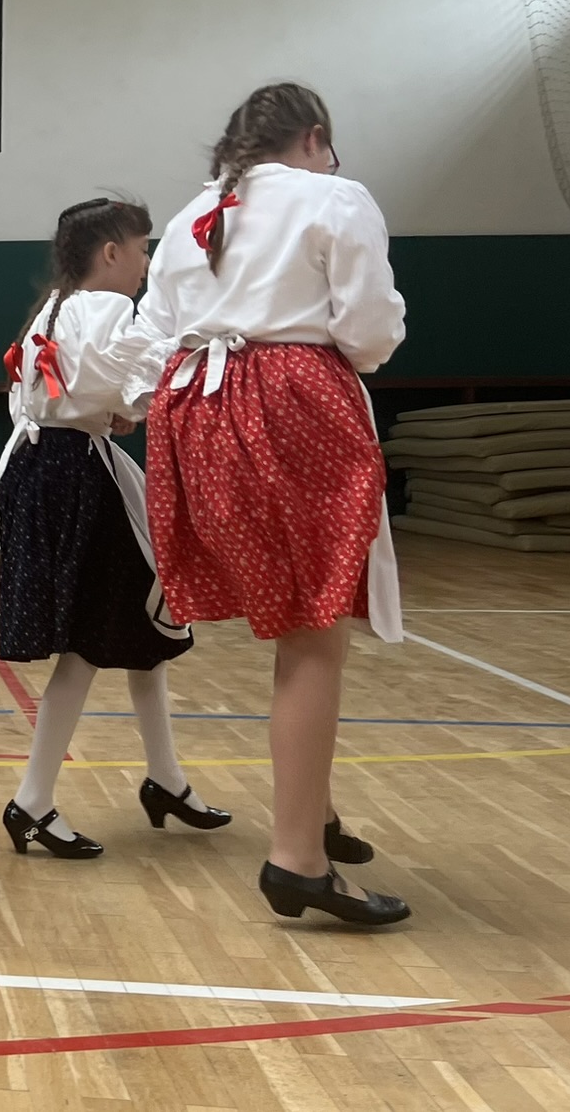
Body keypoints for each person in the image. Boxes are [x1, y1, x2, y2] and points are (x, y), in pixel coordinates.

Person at [133, 82, 410, 926]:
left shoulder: (191, 214)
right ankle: (297, 860)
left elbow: (153, 332)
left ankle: (312, 811)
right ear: (314, 137)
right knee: (315, 629)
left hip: (194, 407)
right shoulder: (333, 197)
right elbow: (369, 332)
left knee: (297, 614)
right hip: (290, 401)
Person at [0, 198, 227, 859]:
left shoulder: (54, 307)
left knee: (143, 625)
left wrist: (109, 410)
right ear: (111, 253)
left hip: (49, 467)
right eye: (142, 249)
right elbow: (132, 384)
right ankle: (32, 801)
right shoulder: (106, 307)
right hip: (76, 476)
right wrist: (171, 372)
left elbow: (66, 389)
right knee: (93, 640)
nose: (146, 263)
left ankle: (166, 779)